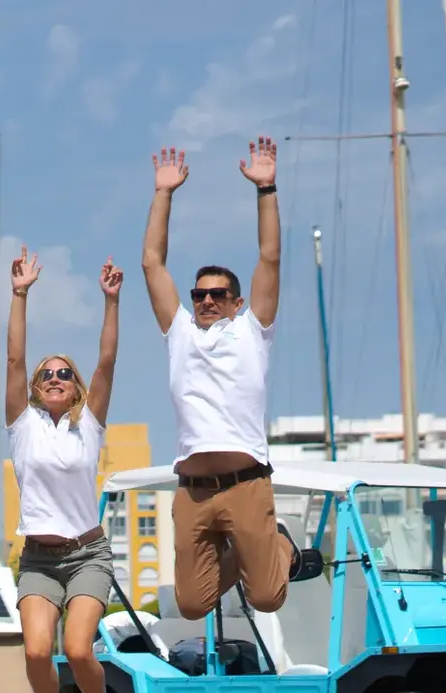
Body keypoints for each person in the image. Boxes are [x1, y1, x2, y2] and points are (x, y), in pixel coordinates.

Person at [142, 137, 305, 621]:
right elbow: (153, 263)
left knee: (267, 598)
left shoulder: (252, 332)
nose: (207, 301)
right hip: (193, 489)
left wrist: (267, 188)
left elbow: (270, 257)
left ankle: (277, 545)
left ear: (237, 301)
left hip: (245, 483)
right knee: (192, 605)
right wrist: (164, 193)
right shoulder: (180, 333)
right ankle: (245, 555)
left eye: (219, 294)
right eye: (200, 294)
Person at [5, 247, 125, 693]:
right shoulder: (22, 424)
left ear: (75, 387)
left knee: (78, 649)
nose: (55, 377)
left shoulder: (89, 424)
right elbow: (12, 359)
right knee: (35, 652)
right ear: (36, 386)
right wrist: (20, 294)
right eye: (46, 374)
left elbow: (106, 361)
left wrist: (111, 302)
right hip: (38, 556)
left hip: (87, 553)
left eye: (64, 374)